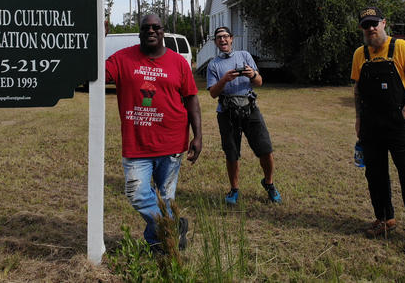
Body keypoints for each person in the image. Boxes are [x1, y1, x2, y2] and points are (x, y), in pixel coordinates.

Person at [105, 14, 202, 252]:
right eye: (145, 27)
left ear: (163, 32)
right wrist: (100, 36)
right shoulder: (122, 58)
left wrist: (198, 136)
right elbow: (92, 71)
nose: (150, 30)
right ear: (139, 32)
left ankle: (158, 246)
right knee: (138, 194)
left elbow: (191, 98)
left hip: (172, 142)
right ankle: (173, 226)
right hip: (136, 143)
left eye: (155, 27)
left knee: (166, 199)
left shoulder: (178, 62)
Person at [350, 6, 405, 250]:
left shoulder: (401, 47)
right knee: (375, 174)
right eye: (366, 25)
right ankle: (385, 219)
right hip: (371, 123)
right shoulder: (360, 54)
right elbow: (357, 90)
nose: (371, 28)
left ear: (383, 23)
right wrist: (358, 118)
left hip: (398, 123)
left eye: (374, 23)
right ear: (362, 28)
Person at [206, 26, 281, 205]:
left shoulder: (245, 56)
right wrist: (224, 79)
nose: (222, 40)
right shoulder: (213, 64)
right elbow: (213, 93)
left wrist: (252, 74)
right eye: (219, 38)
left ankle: (269, 183)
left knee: (265, 149)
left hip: (249, 108)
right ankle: (234, 189)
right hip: (226, 112)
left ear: (231, 39)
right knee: (231, 153)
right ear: (215, 42)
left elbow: (259, 82)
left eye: (225, 37)